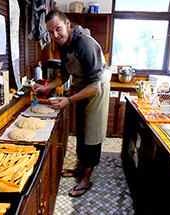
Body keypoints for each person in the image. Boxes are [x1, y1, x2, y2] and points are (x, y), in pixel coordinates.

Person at [32, 8, 110, 198]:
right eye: (50, 32)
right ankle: (80, 168)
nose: (54, 35)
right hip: (83, 88)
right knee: (81, 130)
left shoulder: (85, 44)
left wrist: (68, 100)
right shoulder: (63, 44)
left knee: (92, 133)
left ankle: (86, 179)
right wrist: (46, 87)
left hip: (96, 90)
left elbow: (95, 86)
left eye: (57, 29)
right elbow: (65, 75)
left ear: (67, 24)